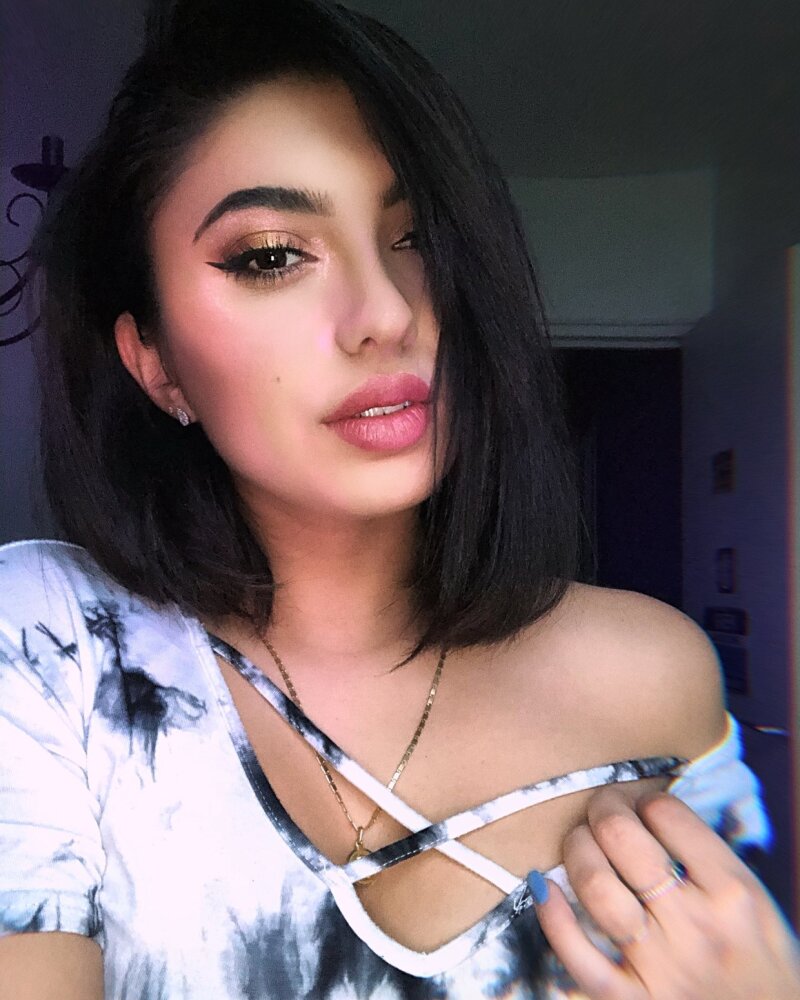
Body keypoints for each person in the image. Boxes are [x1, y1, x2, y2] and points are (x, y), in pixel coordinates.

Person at [0, 1, 798, 997]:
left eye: (414, 236)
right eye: (270, 255)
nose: (385, 312)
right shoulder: (53, 645)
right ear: (155, 361)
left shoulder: (649, 677)